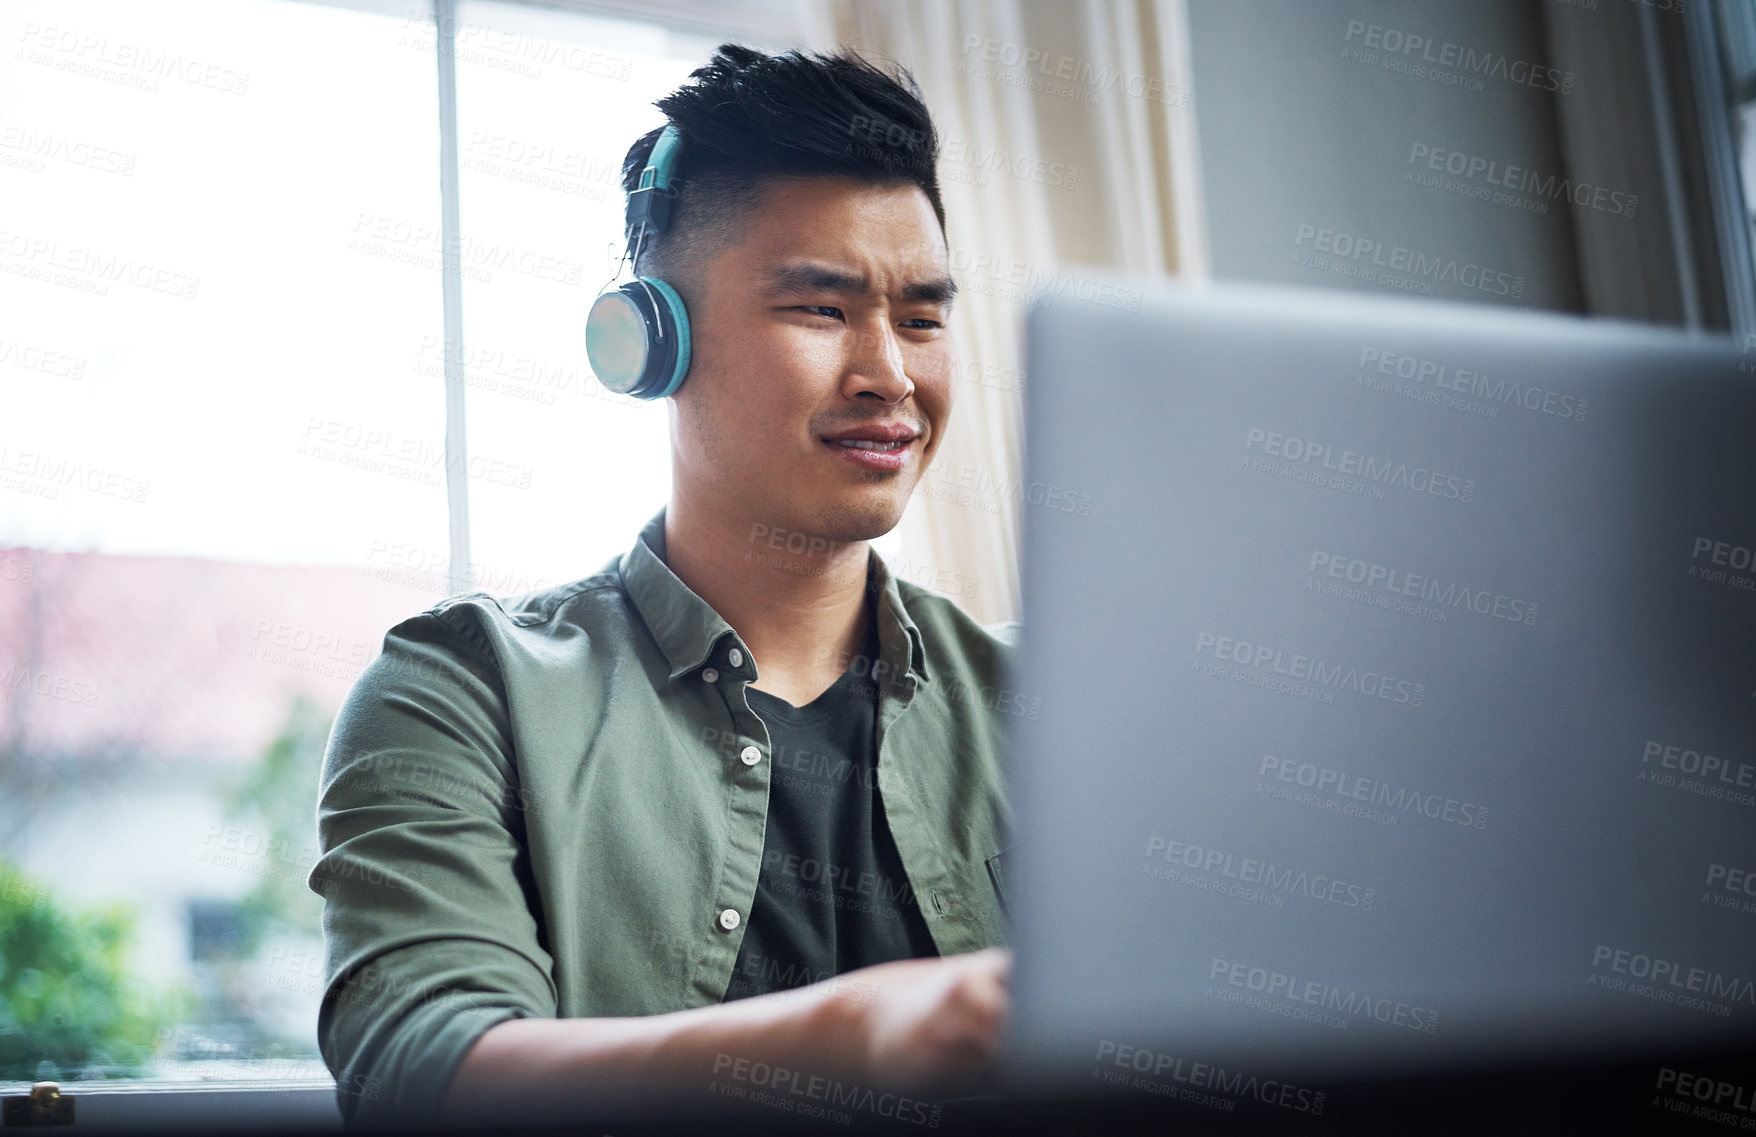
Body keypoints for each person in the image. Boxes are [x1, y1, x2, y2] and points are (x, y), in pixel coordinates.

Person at [311, 42, 1016, 1131]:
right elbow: (418, 1073)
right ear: (646, 341)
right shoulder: (460, 694)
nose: (891, 375)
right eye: (823, 311)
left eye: (922, 318)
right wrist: (852, 1038)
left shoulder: (1056, 706)